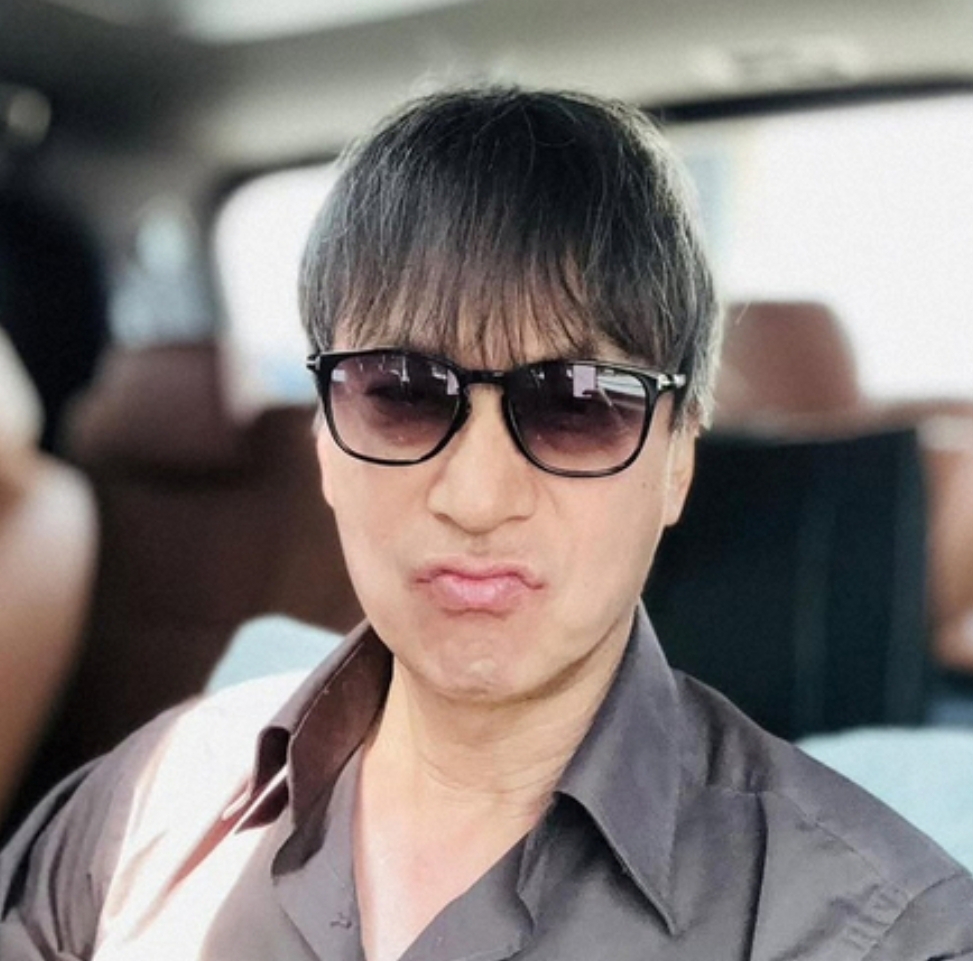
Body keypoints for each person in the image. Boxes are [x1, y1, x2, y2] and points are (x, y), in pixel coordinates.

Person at [1, 87, 971, 960]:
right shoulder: (146, 807)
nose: (475, 496)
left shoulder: (872, 930)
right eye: (401, 391)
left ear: (677, 457)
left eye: (578, 403)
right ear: (326, 441)